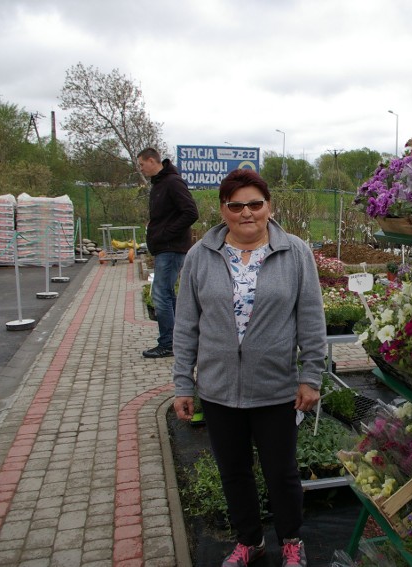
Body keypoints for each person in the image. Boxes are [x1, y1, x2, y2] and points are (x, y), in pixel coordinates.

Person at [171, 169, 325, 567]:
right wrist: (183, 384)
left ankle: (291, 540)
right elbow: (187, 324)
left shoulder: (295, 253)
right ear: (222, 209)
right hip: (219, 390)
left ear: (268, 206)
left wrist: (310, 376)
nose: (246, 213)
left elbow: (310, 318)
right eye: (235, 205)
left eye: (255, 204)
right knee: (234, 473)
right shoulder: (200, 257)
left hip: (275, 388)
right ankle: (249, 540)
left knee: (282, 474)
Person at [137, 148, 198, 358]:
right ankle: (175, 341)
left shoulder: (172, 182)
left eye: (142, 164)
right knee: (168, 295)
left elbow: (191, 212)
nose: (141, 169)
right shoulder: (159, 184)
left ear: (152, 160)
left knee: (160, 295)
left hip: (171, 248)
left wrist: (165, 233)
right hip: (165, 247)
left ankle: (168, 343)